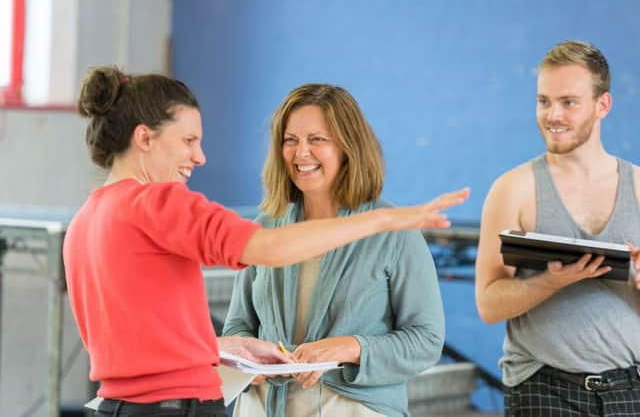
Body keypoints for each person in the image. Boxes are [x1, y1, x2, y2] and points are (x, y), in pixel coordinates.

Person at [63, 66, 469, 417]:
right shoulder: (163, 204)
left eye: (318, 139)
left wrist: (238, 346)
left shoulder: (85, 220)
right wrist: (381, 219)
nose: (201, 157)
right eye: (189, 141)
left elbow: (151, 337)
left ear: (349, 147)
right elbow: (270, 248)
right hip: (189, 405)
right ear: (144, 138)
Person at [223, 83, 450, 417]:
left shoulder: (393, 233)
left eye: (317, 139)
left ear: (348, 146)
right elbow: (238, 327)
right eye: (291, 140)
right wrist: (251, 361)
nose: (301, 153)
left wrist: (352, 347)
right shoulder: (266, 228)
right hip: (261, 407)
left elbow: (426, 340)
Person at [475, 40, 640, 417]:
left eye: (568, 102)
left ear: (603, 105)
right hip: (544, 387)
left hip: (631, 387)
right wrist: (552, 281)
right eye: (543, 101)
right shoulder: (513, 189)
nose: (552, 115)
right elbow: (488, 303)